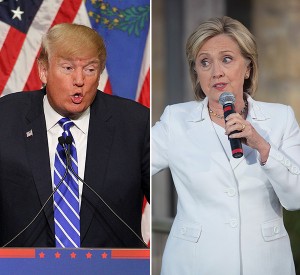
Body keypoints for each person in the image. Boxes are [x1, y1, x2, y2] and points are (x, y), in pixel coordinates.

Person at [152, 16, 300, 275]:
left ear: (248, 67)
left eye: (227, 59)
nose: (216, 71)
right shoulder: (176, 120)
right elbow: (131, 165)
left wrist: (262, 146)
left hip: (264, 264)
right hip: (194, 264)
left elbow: (296, 197)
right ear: (196, 73)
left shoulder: (280, 118)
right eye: (205, 62)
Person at [0, 23, 149, 248]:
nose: (79, 80)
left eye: (90, 69)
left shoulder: (135, 123)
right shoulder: (6, 118)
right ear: (43, 70)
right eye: (68, 68)